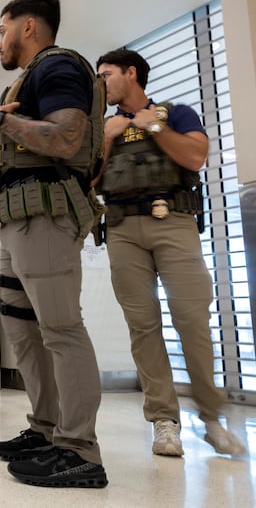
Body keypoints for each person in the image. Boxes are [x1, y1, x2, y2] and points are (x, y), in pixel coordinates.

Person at [0, 0, 107, 488]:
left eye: (1, 29)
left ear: (27, 26)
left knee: (60, 330)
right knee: (23, 332)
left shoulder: (56, 67)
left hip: (46, 214)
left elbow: (66, 138)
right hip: (19, 219)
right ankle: (47, 429)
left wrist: (1, 119)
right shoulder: (32, 75)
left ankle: (80, 451)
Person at [95, 48, 246, 456]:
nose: (101, 82)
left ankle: (211, 419)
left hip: (173, 222)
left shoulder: (175, 113)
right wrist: (106, 140)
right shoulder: (102, 125)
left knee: (193, 320)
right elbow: (91, 181)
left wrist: (154, 128)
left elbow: (196, 156)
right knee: (142, 328)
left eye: (106, 74)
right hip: (123, 228)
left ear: (131, 73)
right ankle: (164, 420)